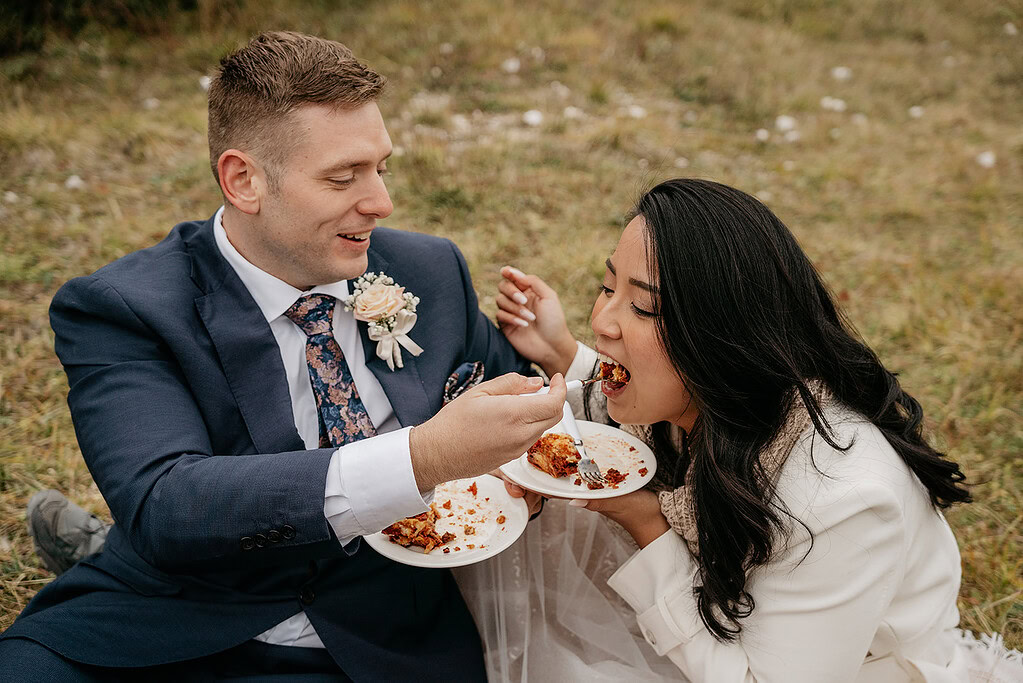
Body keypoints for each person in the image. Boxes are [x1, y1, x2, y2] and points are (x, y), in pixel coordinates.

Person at [0, 31, 566, 680]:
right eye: (342, 177)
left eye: (380, 167)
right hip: (174, 618)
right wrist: (421, 455)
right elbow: (165, 503)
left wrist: (559, 370)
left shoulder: (430, 270)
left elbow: (522, 414)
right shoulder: (125, 306)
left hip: (384, 641)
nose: (381, 202)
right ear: (243, 180)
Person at [458, 178, 1023, 682]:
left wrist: (644, 517)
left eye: (645, 308)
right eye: (609, 288)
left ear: (721, 338)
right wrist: (562, 352)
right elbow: (628, 411)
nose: (602, 321)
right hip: (721, 615)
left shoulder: (843, 497)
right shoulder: (714, 400)